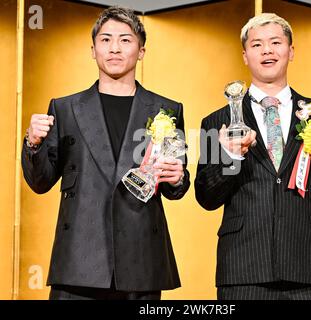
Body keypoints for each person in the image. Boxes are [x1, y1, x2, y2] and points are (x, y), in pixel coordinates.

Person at [22, 6, 190, 300]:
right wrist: (33, 143)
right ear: (93, 49)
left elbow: (175, 188)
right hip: (78, 259)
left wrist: (177, 179)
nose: (114, 48)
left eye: (125, 40)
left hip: (140, 260)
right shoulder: (65, 109)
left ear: (141, 51)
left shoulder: (166, 110)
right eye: (106, 40)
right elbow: (40, 182)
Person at [195, 13, 311, 300]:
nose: (267, 50)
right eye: (257, 45)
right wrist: (232, 158)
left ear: (291, 51)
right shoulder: (216, 121)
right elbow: (206, 197)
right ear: (245, 56)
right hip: (243, 271)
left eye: (275, 42)